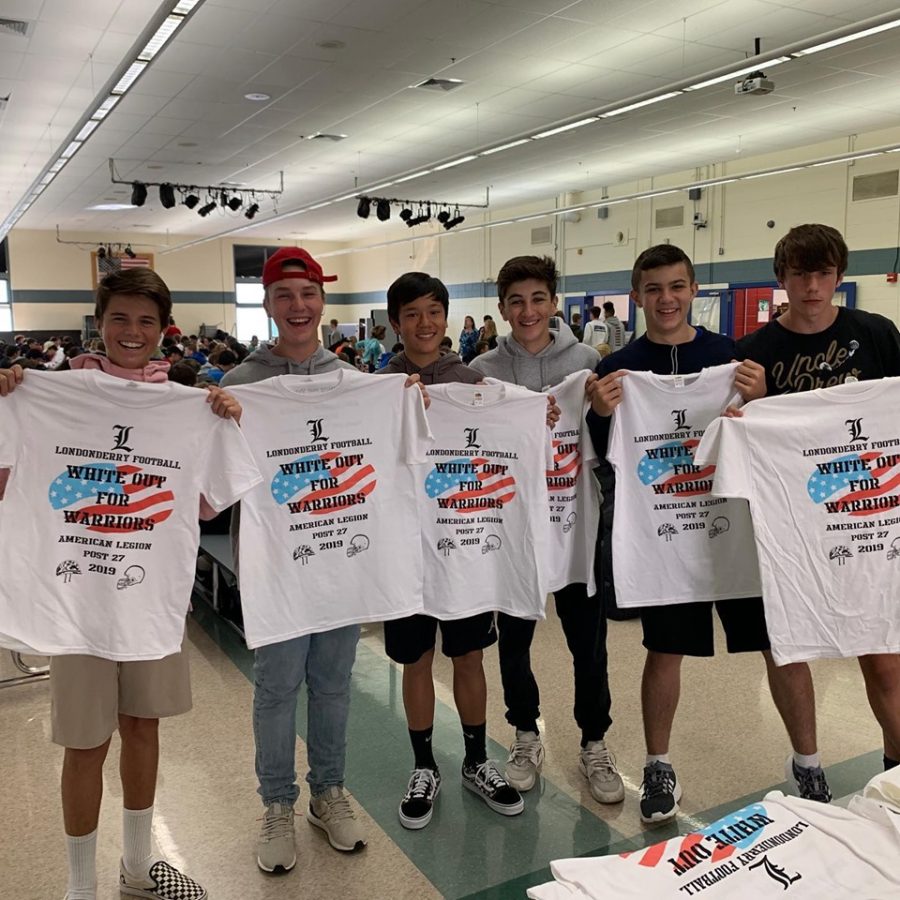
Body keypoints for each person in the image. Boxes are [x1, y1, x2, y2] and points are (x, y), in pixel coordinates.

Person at [0, 268, 244, 900]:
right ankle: (80, 890)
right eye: (120, 318)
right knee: (84, 745)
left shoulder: (188, 401)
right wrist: (7, 399)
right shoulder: (51, 394)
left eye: (146, 321)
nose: (132, 332)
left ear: (165, 330)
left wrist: (222, 422)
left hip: (149, 606)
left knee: (144, 728)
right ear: (99, 323)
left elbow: (208, 507)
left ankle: (137, 871)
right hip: (75, 604)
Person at [586, 243, 831, 824]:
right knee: (663, 651)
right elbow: (602, 458)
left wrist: (762, 400)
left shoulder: (733, 359)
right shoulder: (617, 371)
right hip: (665, 540)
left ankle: (810, 763)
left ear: (694, 290)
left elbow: (774, 444)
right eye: (653, 289)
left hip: (740, 532)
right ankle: (658, 765)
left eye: (676, 286)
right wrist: (599, 414)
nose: (666, 299)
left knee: (782, 646)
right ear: (638, 296)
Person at [220, 247, 368, 873]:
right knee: (278, 687)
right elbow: (216, 487)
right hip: (274, 564)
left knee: (333, 683)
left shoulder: (360, 384)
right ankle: (277, 802)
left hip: (339, 558)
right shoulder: (239, 386)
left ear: (321, 302)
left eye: (307, 294)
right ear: (268, 305)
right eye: (285, 296)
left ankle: (328, 793)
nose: (298, 306)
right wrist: (216, 420)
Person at [737, 223, 900, 776]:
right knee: (791, 643)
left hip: (867, 520)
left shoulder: (878, 334)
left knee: (883, 656)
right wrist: (755, 404)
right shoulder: (754, 353)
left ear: (839, 275)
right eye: (800, 274)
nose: (811, 285)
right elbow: (740, 438)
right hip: (792, 528)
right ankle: (808, 767)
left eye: (823, 273)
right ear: (781, 278)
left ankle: (896, 768)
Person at [470, 256, 625, 805]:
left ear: (554, 303)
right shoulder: (484, 367)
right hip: (513, 529)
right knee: (514, 641)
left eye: (538, 299)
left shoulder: (585, 360)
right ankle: (524, 733)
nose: (528, 310)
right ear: (502, 309)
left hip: (574, 522)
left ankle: (595, 741)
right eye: (516, 301)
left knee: (590, 643)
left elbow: (607, 433)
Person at [375, 271, 523, 828]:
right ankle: (423, 766)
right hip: (404, 553)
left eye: (433, 311)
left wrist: (538, 420)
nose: (424, 323)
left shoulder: (473, 381)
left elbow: (509, 437)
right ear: (395, 323)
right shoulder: (378, 387)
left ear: (447, 316)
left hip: (462, 548)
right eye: (411, 314)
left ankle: (479, 760)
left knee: (469, 655)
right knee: (416, 660)